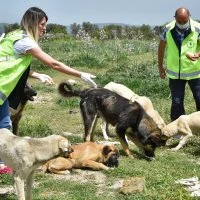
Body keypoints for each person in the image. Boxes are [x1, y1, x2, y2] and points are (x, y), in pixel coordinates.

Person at [0, 7, 96, 174]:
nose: (45, 28)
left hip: (2, 90)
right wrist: (81, 74)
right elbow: (54, 64)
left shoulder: (12, 35)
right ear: (33, 23)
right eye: (42, 24)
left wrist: (37, 75)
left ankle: (2, 164)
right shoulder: (26, 41)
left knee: (4, 124)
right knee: (4, 126)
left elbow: (10, 64)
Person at [158, 7, 200, 122]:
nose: (182, 24)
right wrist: (160, 67)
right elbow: (161, 48)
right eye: (179, 21)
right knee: (177, 102)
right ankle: (178, 129)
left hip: (195, 73)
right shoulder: (167, 29)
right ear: (174, 18)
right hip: (175, 74)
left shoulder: (197, 28)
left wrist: (197, 54)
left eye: (184, 21)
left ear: (189, 17)